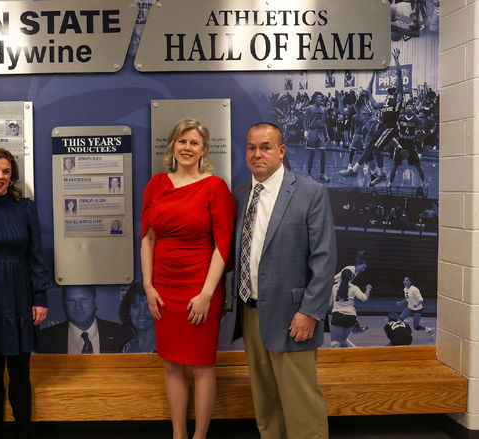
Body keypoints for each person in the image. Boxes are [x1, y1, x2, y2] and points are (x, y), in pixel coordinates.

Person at [232, 122, 336, 439]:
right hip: (250, 312)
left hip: (294, 317)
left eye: (265, 147)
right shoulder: (239, 195)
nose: (257, 153)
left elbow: (324, 258)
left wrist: (310, 312)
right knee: (265, 403)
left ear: (281, 151)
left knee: (300, 403)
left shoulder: (309, 193)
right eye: (251, 147)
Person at [140, 118, 234, 439]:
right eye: (182, 141)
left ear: (204, 149)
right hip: (164, 288)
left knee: (202, 365)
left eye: (194, 143)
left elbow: (223, 246)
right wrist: (148, 286)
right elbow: (148, 239)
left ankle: (200, 436)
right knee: (171, 364)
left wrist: (207, 293)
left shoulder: (215, 187)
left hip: (200, 287)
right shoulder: (155, 185)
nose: (187, 148)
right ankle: (179, 434)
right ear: (172, 146)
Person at [0, 147, 54, 439]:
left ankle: (23, 430)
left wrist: (40, 298)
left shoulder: (25, 207)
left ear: (12, 176)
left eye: (6, 172)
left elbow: (36, 257)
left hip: (20, 295)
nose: (0, 177)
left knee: (20, 372)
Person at [37, 286, 132, 354]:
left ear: (95, 302)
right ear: (64, 305)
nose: (78, 307)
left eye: (84, 300)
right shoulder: (45, 340)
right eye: (71, 301)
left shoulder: (122, 335)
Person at [330, 269, 371, 348]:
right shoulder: (354, 288)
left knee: (334, 342)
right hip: (350, 317)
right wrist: (368, 289)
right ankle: (346, 358)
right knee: (343, 341)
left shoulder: (334, 287)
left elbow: (329, 303)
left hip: (337, 315)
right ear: (351, 278)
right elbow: (364, 298)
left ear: (341, 277)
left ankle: (335, 359)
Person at [118, 282, 156, 353]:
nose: (142, 312)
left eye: (148, 306)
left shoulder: (168, 349)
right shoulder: (126, 348)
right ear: (128, 310)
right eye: (135, 306)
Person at [303, 92, 330, 182]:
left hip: (321, 132)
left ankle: (322, 173)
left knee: (323, 151)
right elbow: (305, 121)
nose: (320, 99)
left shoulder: (324, 109)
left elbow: (325, 123)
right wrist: (305, 133)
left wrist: (327, 134)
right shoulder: (309, 108)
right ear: (314, 99)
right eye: (318, 97)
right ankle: (308, 173)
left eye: (321, 98)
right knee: (312, 153)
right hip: (312, 131)